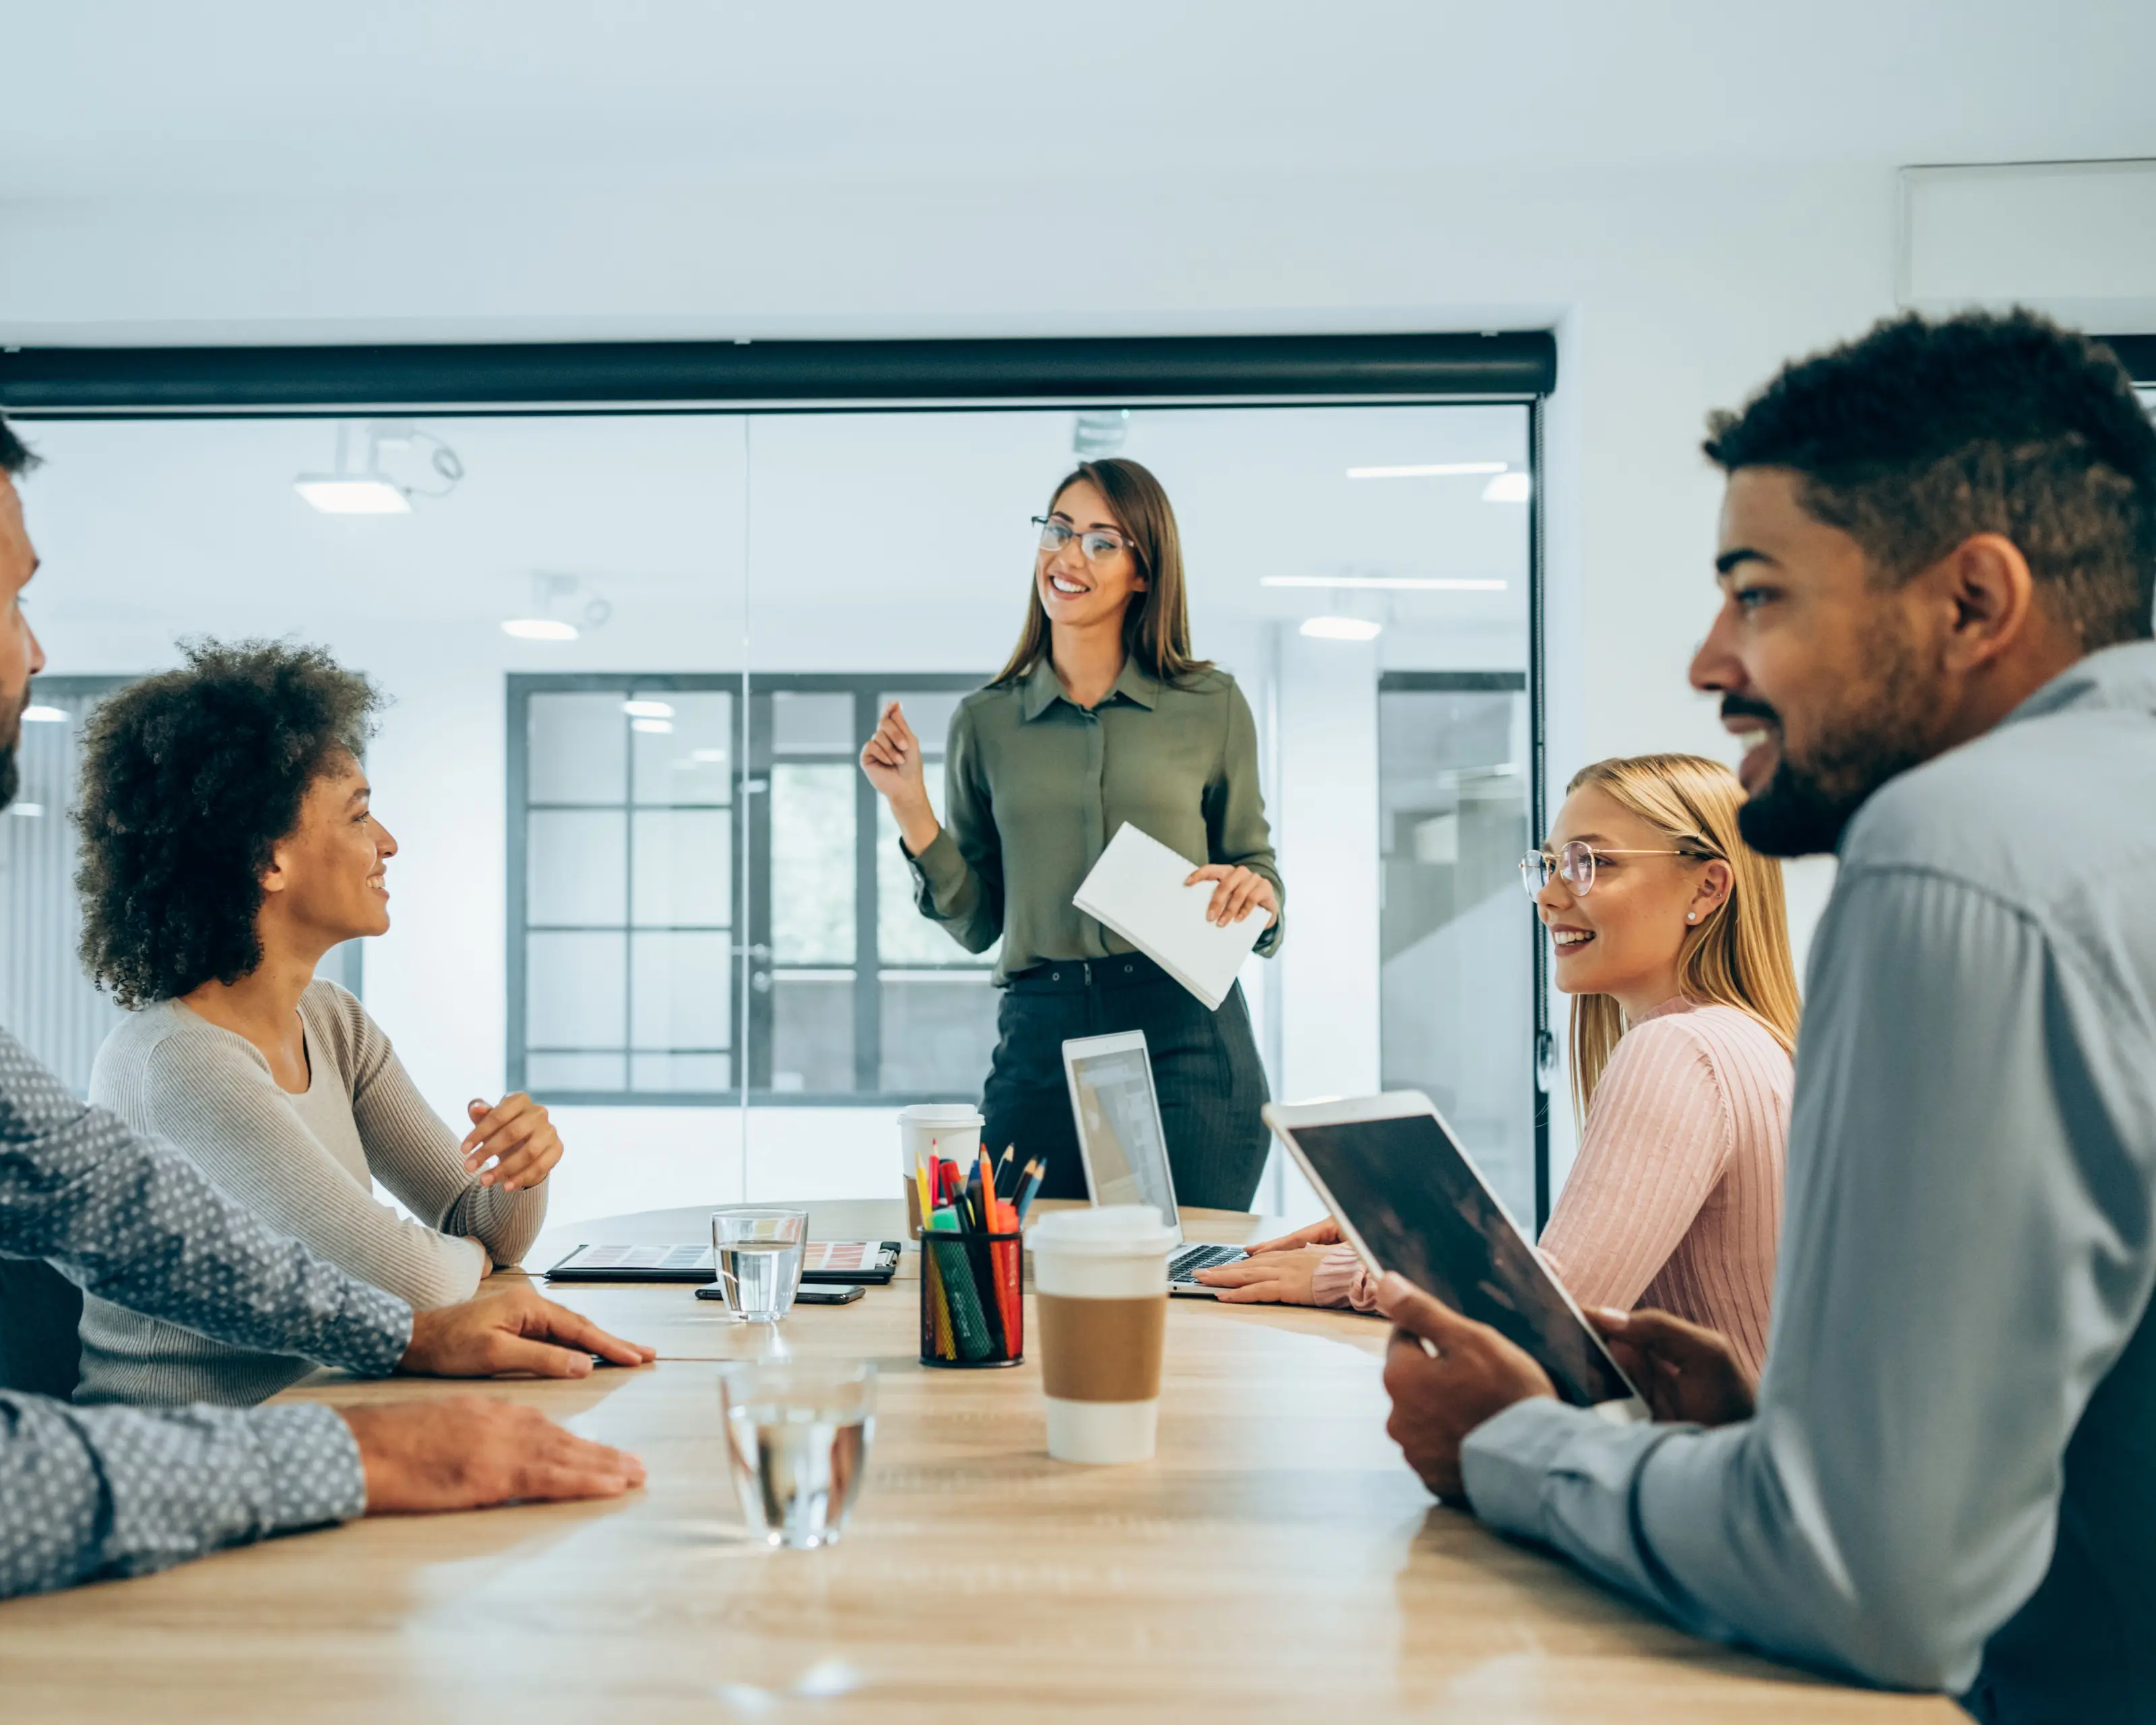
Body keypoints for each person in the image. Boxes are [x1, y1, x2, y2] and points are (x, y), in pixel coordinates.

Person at [0, 344, 654, 1725]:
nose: (37, 650)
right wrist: (362, 1456)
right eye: (15, 597)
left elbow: (97, 1187)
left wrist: (396, 1334)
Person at [1372, 309, 2156, 1721]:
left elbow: (1871, 1579)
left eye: (1760, 595)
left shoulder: (1962, 843)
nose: (1709, 661)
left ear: (1974, 602)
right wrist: (1771, 1438)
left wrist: (1520, 1442)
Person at [1200, 754, 1798, 1381]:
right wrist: (1409, 1247)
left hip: (1710, 1463)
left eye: (1592, 863)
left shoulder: (1679, 1051)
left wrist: (1348, 1274)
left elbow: (1549, 1326)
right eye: (1552, 863)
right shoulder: (1752, 1041)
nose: (1548, 895)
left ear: (1707, 888)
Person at [71, 641, 561, 1404]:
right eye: (361, 815)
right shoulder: (179, 1062)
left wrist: (520, 1171)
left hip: (324, 1415)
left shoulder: (333, 1022)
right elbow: (420, 1287)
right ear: (268, 862)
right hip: (187, 1467)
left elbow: (477, 1222)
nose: (388, 843)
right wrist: (469, 1256)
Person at [861, 458, 1280, 1209]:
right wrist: (910, 808)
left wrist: (1261, 894)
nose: (1067, 555)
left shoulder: (1210, 704)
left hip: (1183, 1026)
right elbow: (980, 922)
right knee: (1007, 1278)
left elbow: (1253, 862)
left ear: (1143, 573)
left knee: (1184, 1291)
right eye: (1058, 530)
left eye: (1100, 541)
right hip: (1040, 1033)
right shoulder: (985, 722)